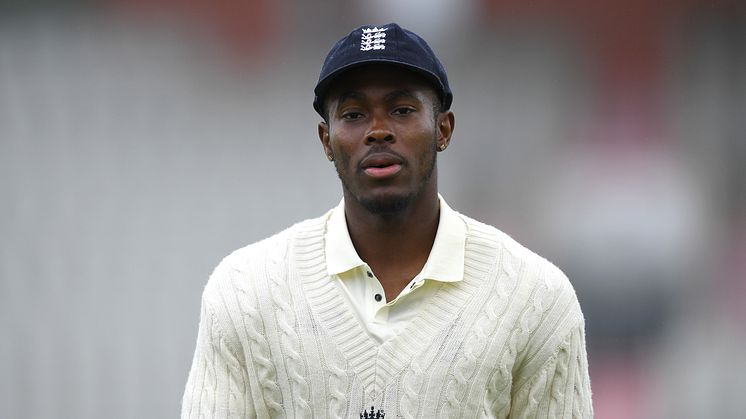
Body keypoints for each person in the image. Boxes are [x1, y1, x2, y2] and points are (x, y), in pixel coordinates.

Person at [181, 23, 592, 418]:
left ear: (442, 129)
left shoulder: (536, 299)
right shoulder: (245, 292)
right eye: (354, 114)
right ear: (326, 140)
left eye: (401, 109)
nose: (378, 131)